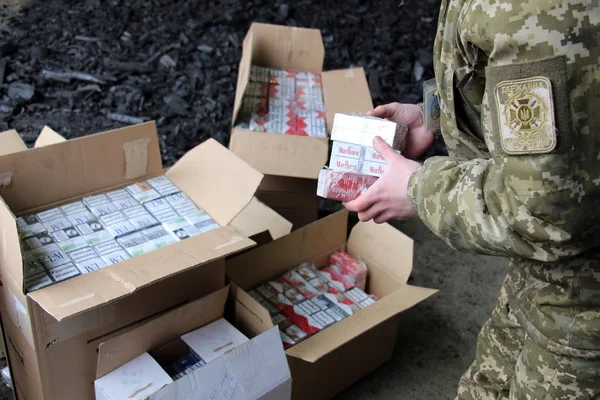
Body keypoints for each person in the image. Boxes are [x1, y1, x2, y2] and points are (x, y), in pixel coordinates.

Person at [344, 1, 600, 399]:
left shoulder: (548, 11)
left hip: (580, 311)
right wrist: (434, 115)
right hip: (541, 279)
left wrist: (418, 189)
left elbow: (544, 211)